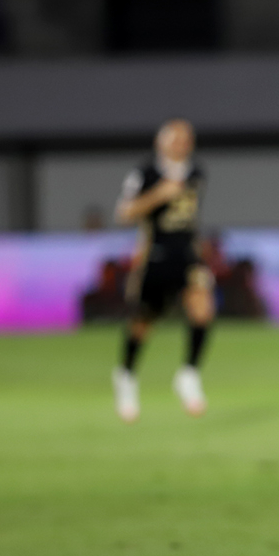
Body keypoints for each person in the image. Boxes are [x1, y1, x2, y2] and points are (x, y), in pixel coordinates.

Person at [111, 119, 215, 422]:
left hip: (187, 256)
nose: (181, 144)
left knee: (202, 308)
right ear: (161, 142)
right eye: (174, 139)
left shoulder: (197, 173)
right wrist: (158, 195)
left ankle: (189, 374)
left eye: (186, 139)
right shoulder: (145, 173)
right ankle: (126, 377)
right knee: (143, 321)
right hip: (155, 256)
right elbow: (124, 212)